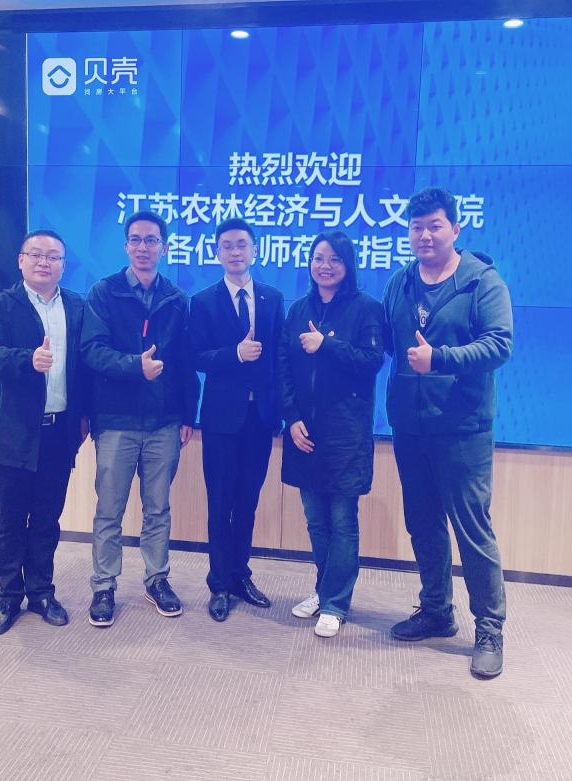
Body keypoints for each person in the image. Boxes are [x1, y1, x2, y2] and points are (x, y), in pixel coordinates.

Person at [383, 186, 513, 678]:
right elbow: (389, 344)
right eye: (416, 227)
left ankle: (490, 628)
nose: (425, 235)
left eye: (434, 226)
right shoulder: (400, 283)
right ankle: (437, 610)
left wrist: (439, 359)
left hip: (463, 428)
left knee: (472, 529)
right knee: (422, 522)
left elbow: (499, 345)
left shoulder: (482, 282)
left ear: (455, 229)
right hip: (410, 427)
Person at [81, 210, 199, 627]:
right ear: (126, 245)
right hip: (116, 421)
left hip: (164, 423)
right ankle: (103, 586)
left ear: (164, 247)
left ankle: (157, 579)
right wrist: (136, 366)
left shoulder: (177, 299)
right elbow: (92, 351)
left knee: (158, 509)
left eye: (151, 240)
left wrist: (187, 414)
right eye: (136, 239)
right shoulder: (104, 292)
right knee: (109, 510)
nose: (143, 247)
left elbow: (185, 364)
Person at [0, 229, 90, 635]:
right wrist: (29, 360)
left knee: (46, 518)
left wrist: (86, 416)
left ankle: (42, 592)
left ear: (63, 265)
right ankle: (8, 597)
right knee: (10, 519)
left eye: (53, 256)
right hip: (14, 431)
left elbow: (85, 367)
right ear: (20, 260)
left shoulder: (76, 306)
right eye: (36, 254)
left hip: (59, 432)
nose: (45, 262)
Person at [279, 230, 384, 638]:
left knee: (342, 520)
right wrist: (291, 417)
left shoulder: (366, 308)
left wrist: (325, 345)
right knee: (315, 520)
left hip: (346, 434)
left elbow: (371, 361)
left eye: (334, 259)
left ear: (348, 265)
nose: (325, 266)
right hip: (304, 431)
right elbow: (283, 367)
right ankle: (324, 591)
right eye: (318, 258)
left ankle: (337, 602)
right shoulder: (298, 309)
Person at [188, 218, 284, 621]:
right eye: (227, 246)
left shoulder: (272, 298)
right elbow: (196, 357)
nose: (235, 252)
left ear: (255, 250)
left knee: (248, 502)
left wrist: (280, 411)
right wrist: (235, 355)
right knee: (220, 502)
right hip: (221, 421)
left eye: (241, 244)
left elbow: (279, 358)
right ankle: (219, 584)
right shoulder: (202, 301)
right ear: (217, 253)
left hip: (259, 419)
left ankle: (241, 575)